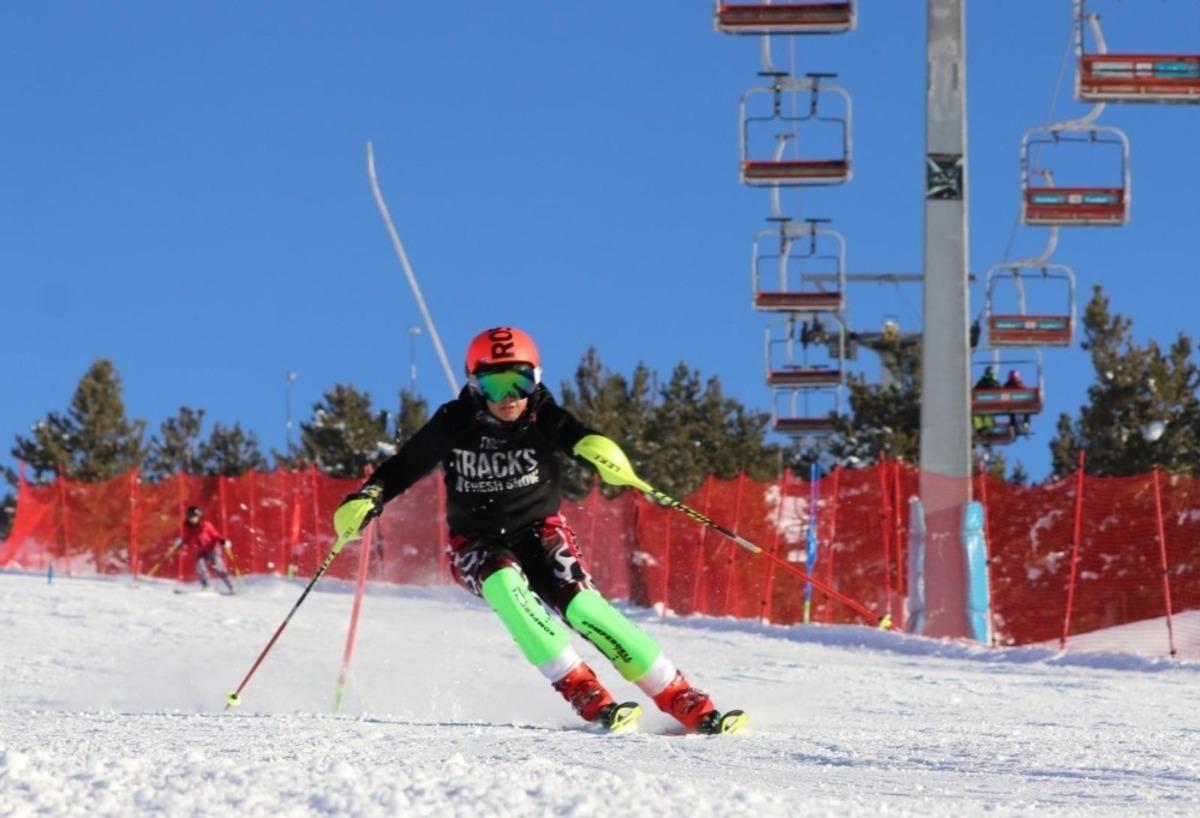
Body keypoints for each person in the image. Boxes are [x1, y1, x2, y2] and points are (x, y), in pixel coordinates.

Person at [332, 326, 745, 734]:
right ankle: (579, 685)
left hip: (540, 531)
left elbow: (576, 437)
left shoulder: (542, 415)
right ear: (474, 385)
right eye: (495, 385)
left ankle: (677, 692)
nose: (509, 397)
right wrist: (369, 496)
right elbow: (404, 466)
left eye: (521, 381)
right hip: (475, 542)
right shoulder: (453, 422)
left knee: (583, 608)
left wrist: (599, 452)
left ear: (537, 379)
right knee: (504, 585)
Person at [180, 506, 236, 594]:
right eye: (190, 517)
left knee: (219, 567)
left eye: (194, 516)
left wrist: (222, 541)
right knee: (200, 566)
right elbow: (187, 538)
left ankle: (231, 586)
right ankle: (207, 586)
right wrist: (183, 545)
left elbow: (215, 535)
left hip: (213, 548)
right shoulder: (188, 527)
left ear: (199, 516)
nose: (192, 519)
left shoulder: (206, 525)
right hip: (202, 550)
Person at [971, 366, 1000, 437]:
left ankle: (983, 428)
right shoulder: (993, 383)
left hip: (984, 402)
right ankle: (983, 427)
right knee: (983, 414)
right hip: (984, 402)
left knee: (983, 414)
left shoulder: (986, 382)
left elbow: (975, 390)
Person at [1003, 369, 1032, 434]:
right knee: (1027, 412)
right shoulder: (1019, 384)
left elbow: (1002, 393)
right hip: (1020, 404)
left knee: (1012, 413)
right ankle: (1025, 424)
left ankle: (1013, 425)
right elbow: (1026, 391)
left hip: (1011, 405)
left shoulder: (1007, 385)